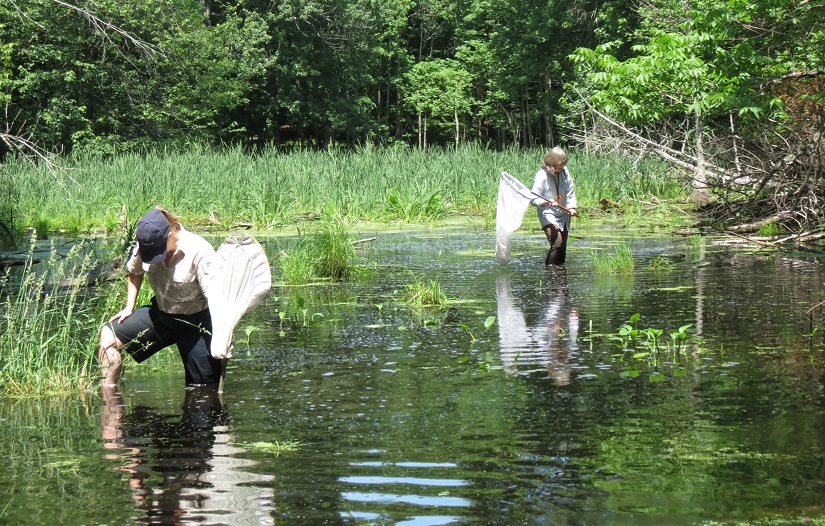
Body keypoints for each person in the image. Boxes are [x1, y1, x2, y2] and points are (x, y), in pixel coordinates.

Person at [98, 206, 223, 386]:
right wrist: (129, 306)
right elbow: (135, 271)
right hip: (161, 315)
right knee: (108, 337)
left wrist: (222, 337)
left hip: (196, 324)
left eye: (159, 250)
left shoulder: (199, 251)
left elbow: (217, 298)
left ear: (170, 233)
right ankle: (110, 404)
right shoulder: (146, 243)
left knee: (203, 389)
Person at [531, 146, 578, 265]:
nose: (562, 168)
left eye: (563, 165)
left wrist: (572, 207)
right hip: (548, 214)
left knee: (562, 247)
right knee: (557, 242)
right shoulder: (541, 175)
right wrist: (546, 201)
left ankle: (560, 274)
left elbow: (570, 190)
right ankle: (550, 271)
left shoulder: (565, 172)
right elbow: (533, 198)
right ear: (552, 164)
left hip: (563, 213)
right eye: (559, 166)